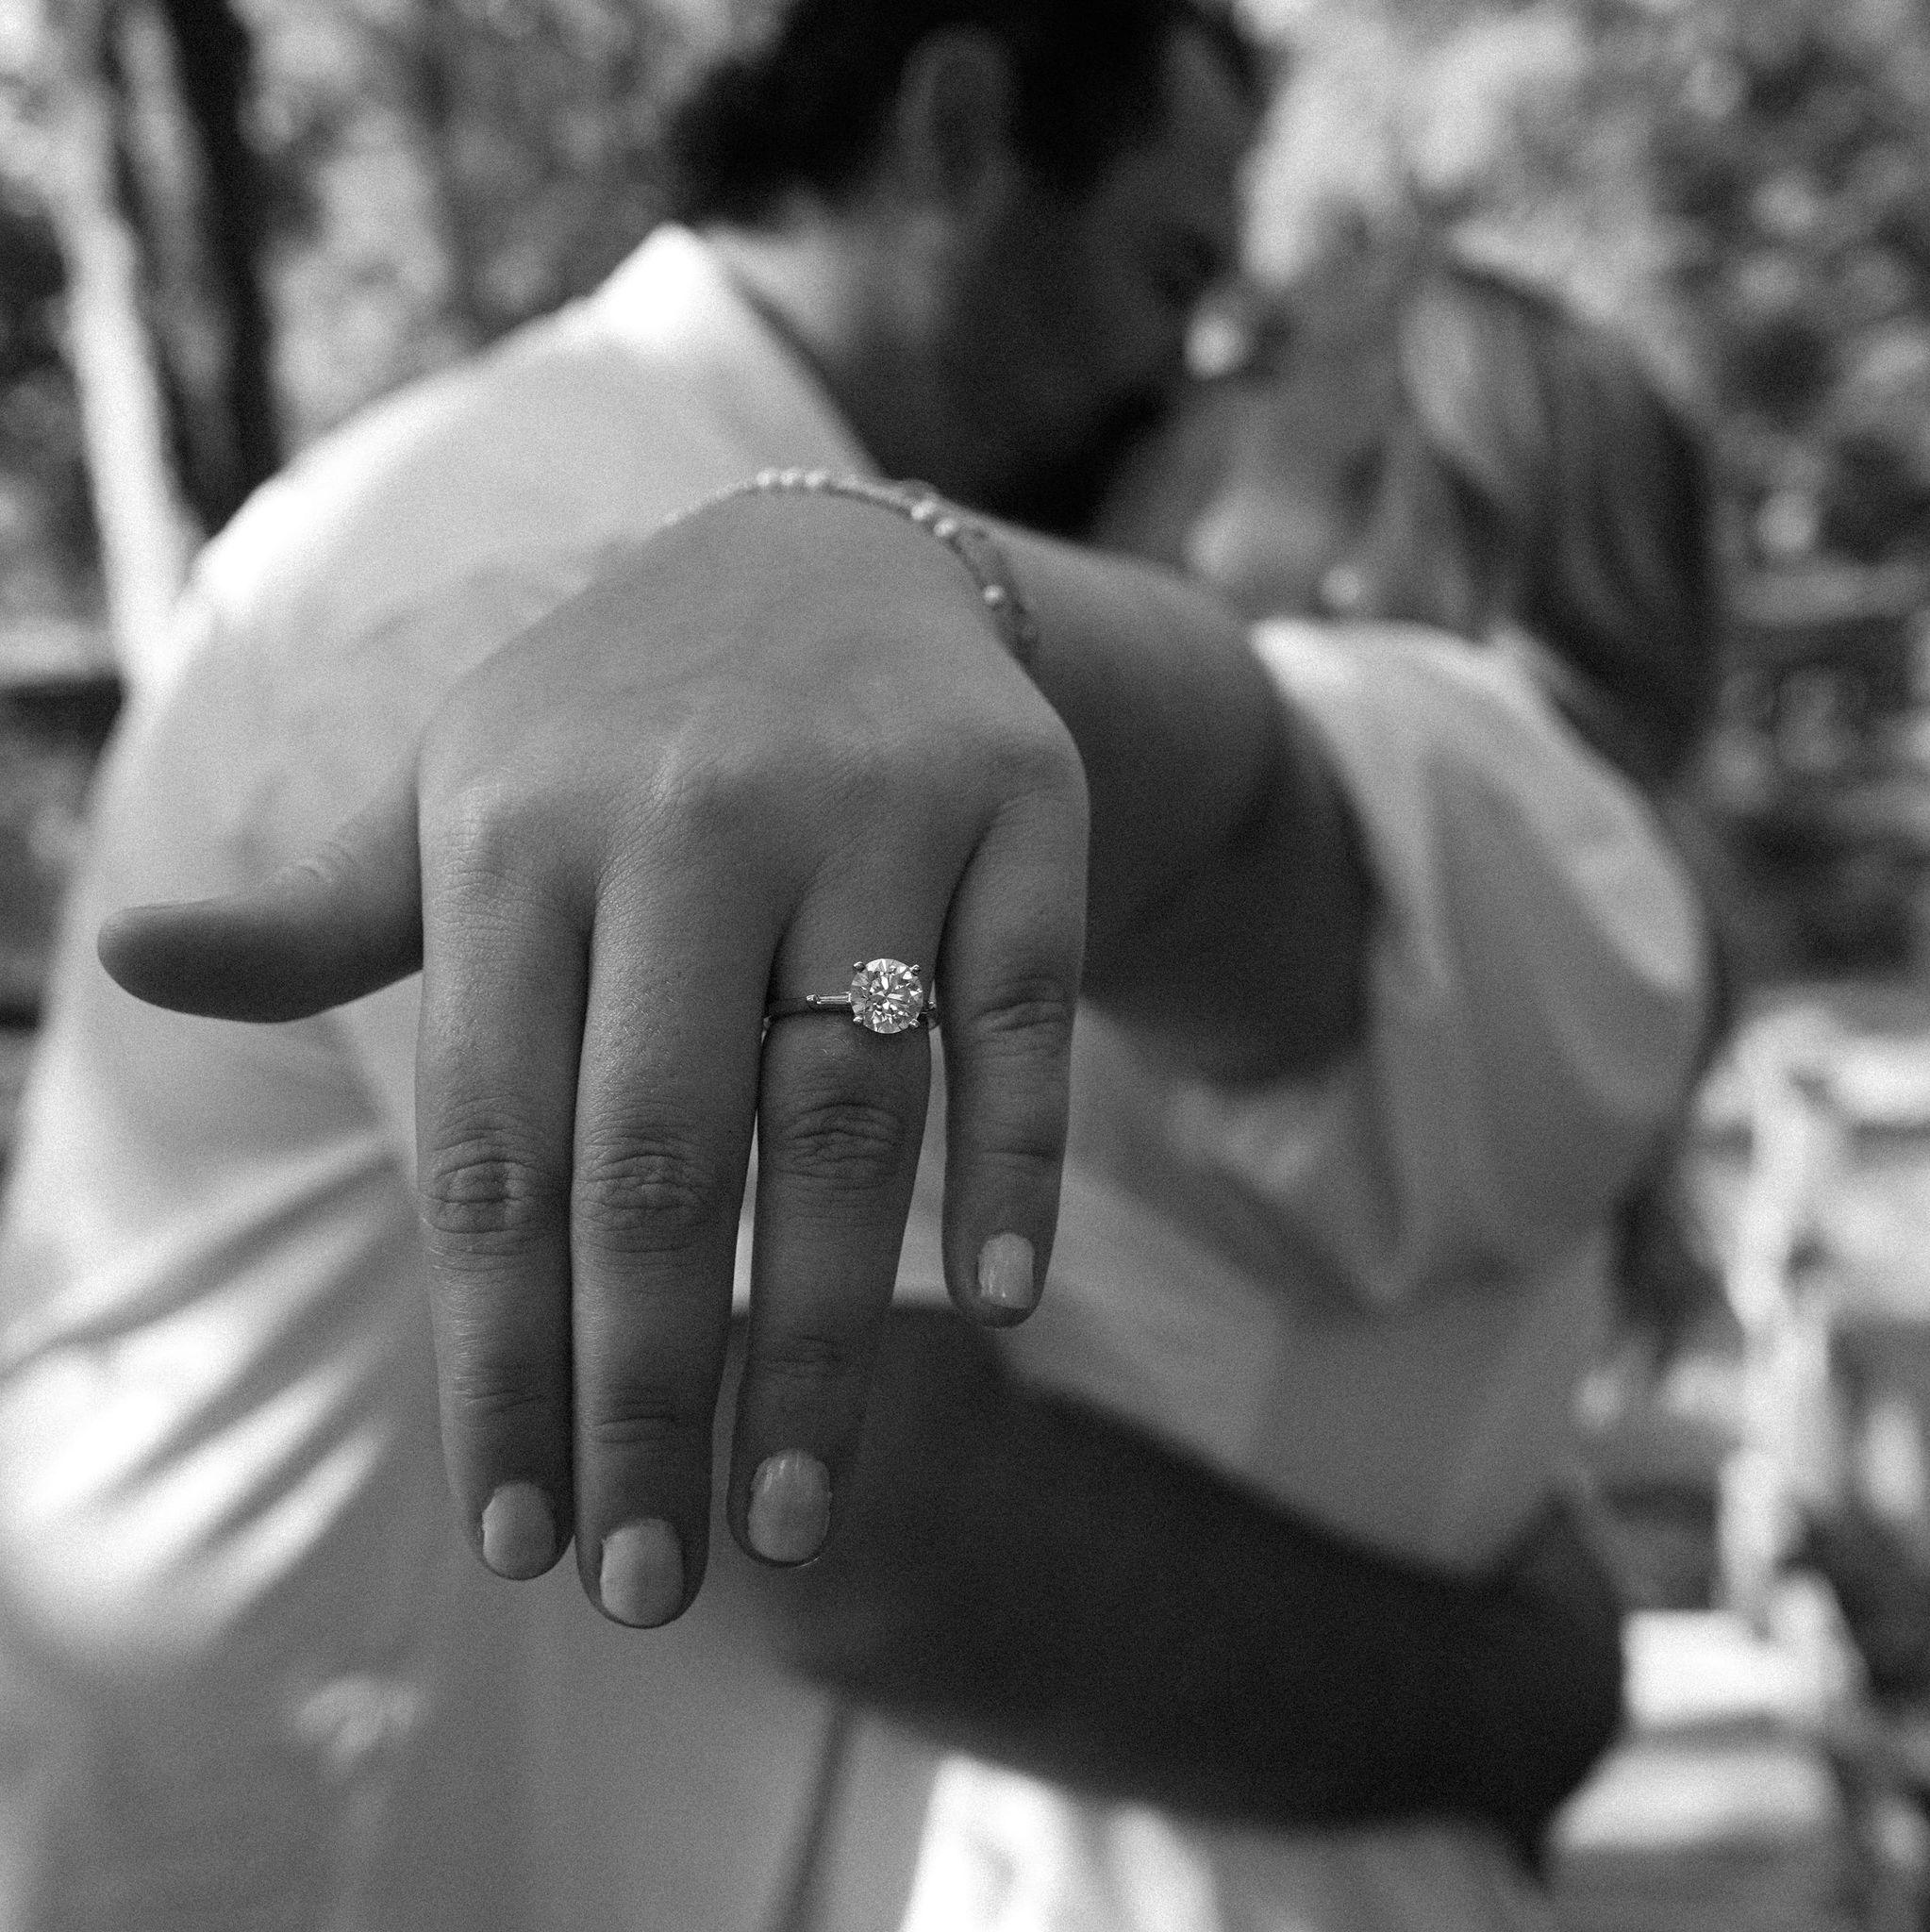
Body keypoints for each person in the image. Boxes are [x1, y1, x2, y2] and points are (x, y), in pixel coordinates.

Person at [0, 9, 1624, 1930]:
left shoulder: (737, 549)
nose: (1173, 366)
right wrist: (1518, 1696)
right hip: (369, 1844)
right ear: (958, 129)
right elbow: (871, 1527)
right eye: (1165, 268)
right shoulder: (550, 564)